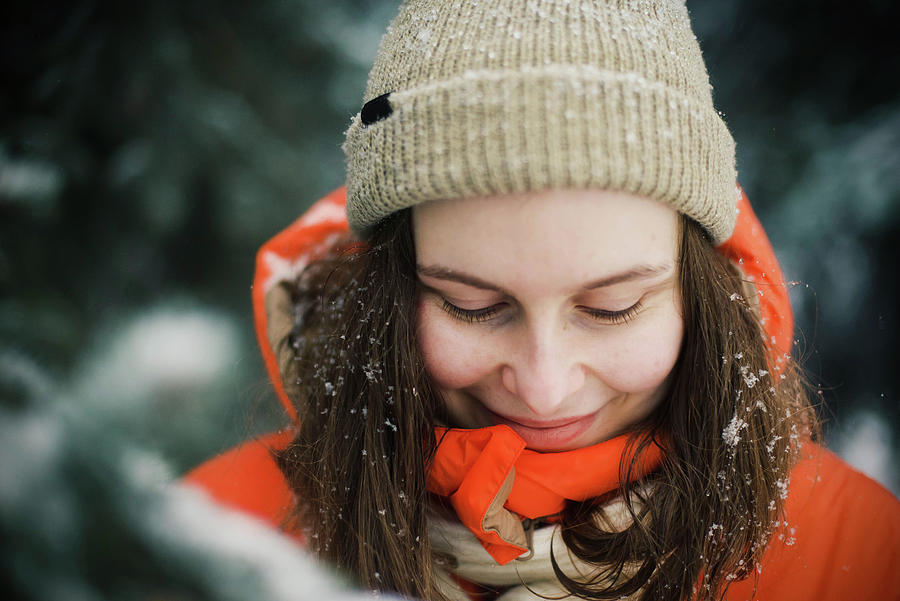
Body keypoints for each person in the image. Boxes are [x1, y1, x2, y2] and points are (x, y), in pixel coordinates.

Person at [185, 1, 900, 600]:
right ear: (393, 290)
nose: (544, 384)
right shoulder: (208, 538)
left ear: (699, 290)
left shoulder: (862, 557)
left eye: (614, 307)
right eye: (470, 305)